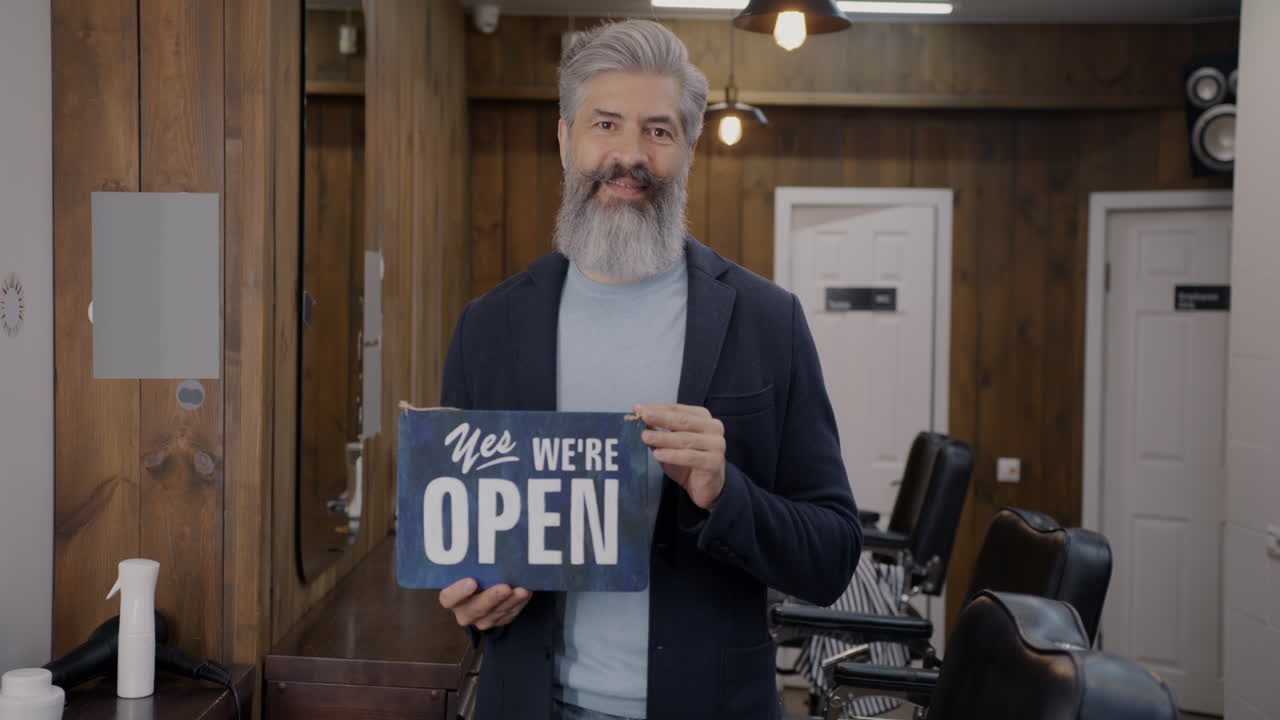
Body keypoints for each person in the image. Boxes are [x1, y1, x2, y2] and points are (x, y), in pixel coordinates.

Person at [437, 19, 861, 720]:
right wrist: (470, 600)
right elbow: (463, 542)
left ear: (689, 150)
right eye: (606, 124)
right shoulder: (489, 328)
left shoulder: (768, 322)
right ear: (566, 138)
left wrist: (726, 492)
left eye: (658, 131)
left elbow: (832, 557)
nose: (630, 155)